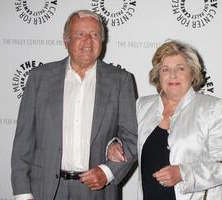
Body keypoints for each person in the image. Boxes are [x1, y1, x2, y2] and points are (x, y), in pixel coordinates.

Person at [11, 10, 137, 200]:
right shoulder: (40, 78)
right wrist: (22, 193)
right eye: (80, 34)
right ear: (65, 40)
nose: (88, 41)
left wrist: (108, 172)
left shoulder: (121, 80)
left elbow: (132, 137)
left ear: (102, 41)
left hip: (98, 191)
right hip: (45, 190)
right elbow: (23, 141)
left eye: (95, 35)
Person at [107, 40, 222, 199]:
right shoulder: (142, 105)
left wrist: (183, 173)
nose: (173, 75)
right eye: (165, 69)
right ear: (158, 75)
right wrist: (115, 145)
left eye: (180, 69)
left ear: (192, 74)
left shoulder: (212, 108)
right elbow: (129, 139)